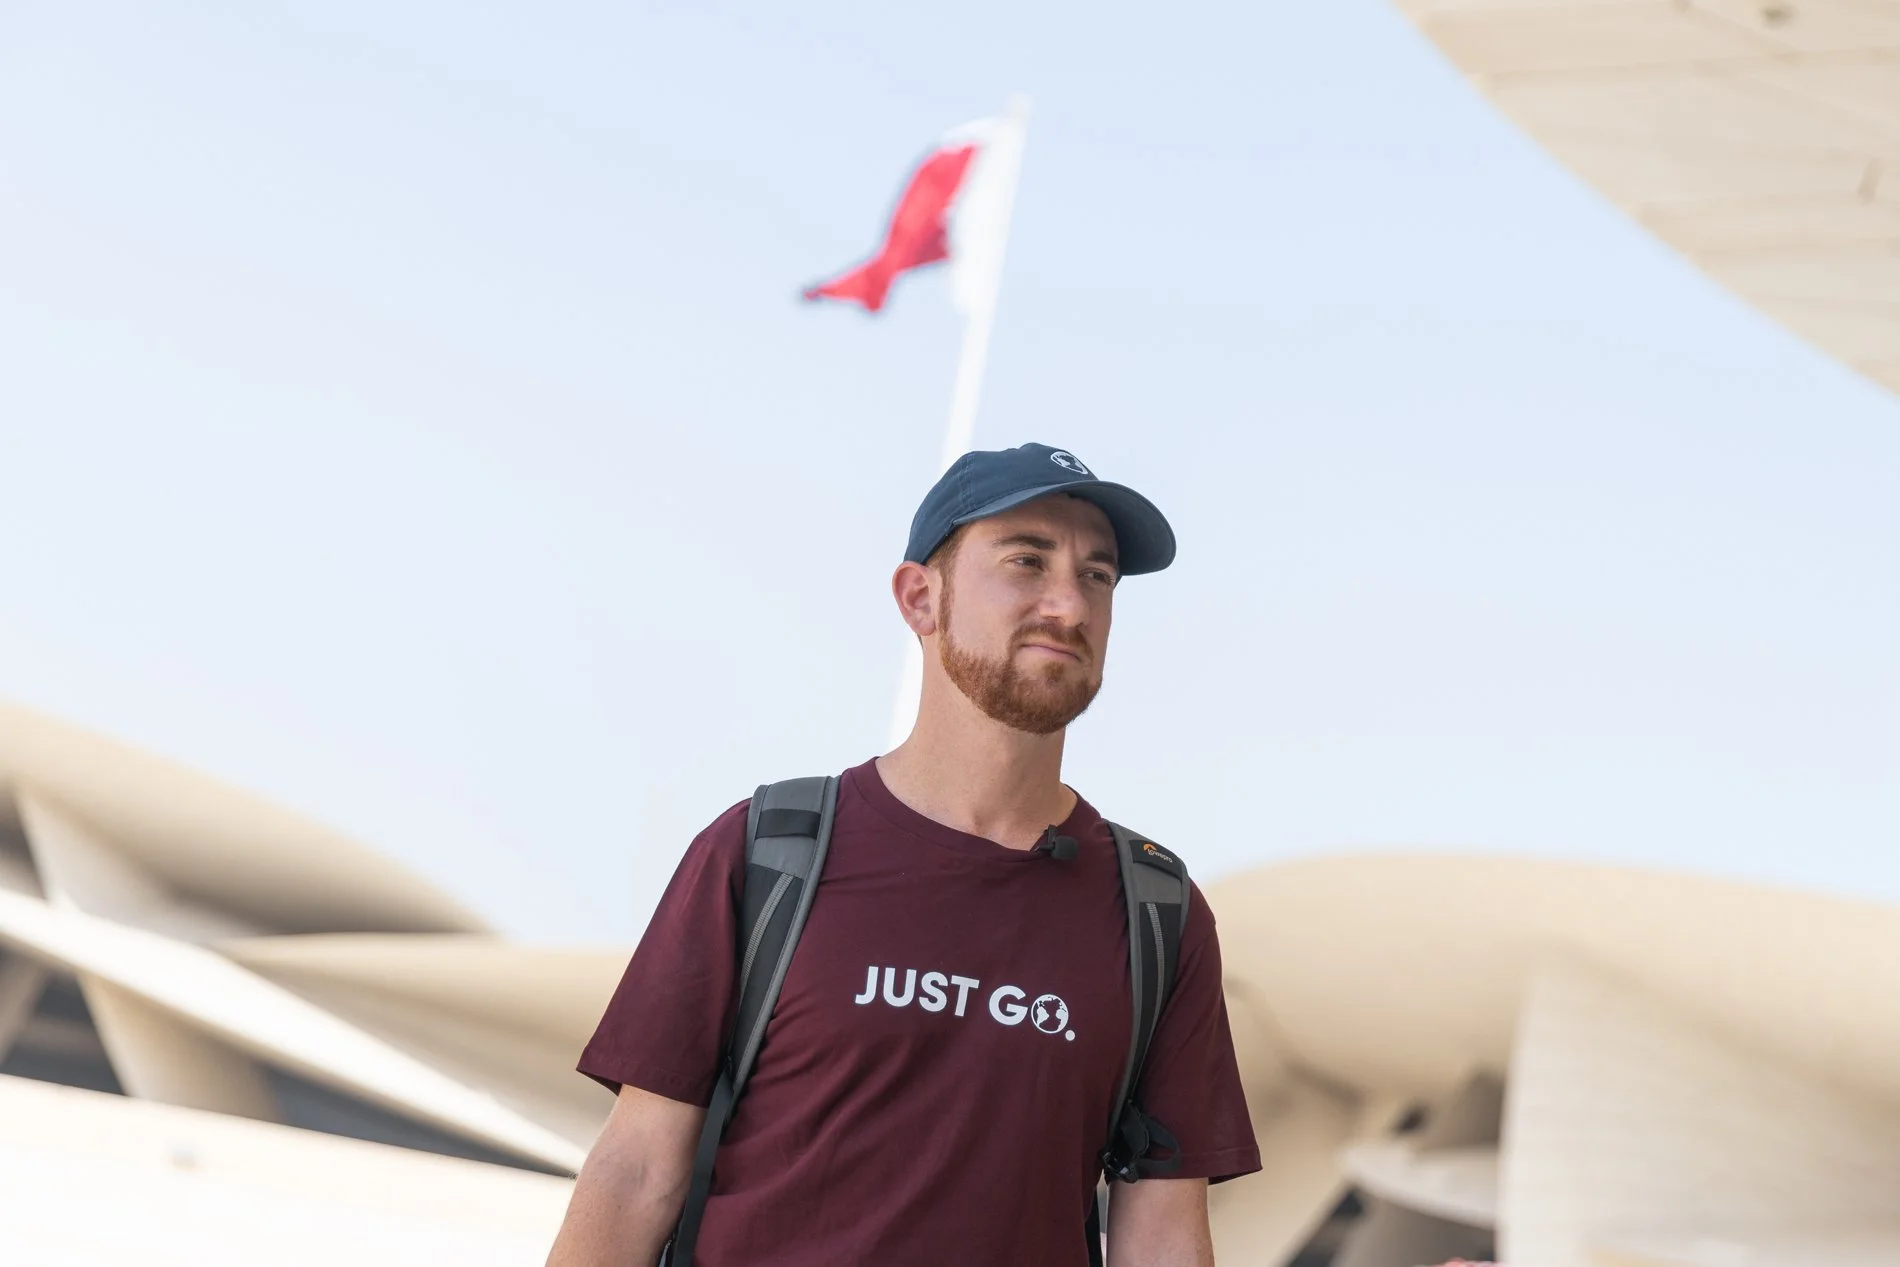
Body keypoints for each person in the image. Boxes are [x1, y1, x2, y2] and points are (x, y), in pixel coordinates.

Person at [547, 443, 1260, 1267]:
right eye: (1027, 560)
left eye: (1097, 576)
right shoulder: (767, 848)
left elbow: (1163, 1236)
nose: (1069, 604)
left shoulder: (1157, 913)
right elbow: (635, 1172)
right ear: (921, 597)